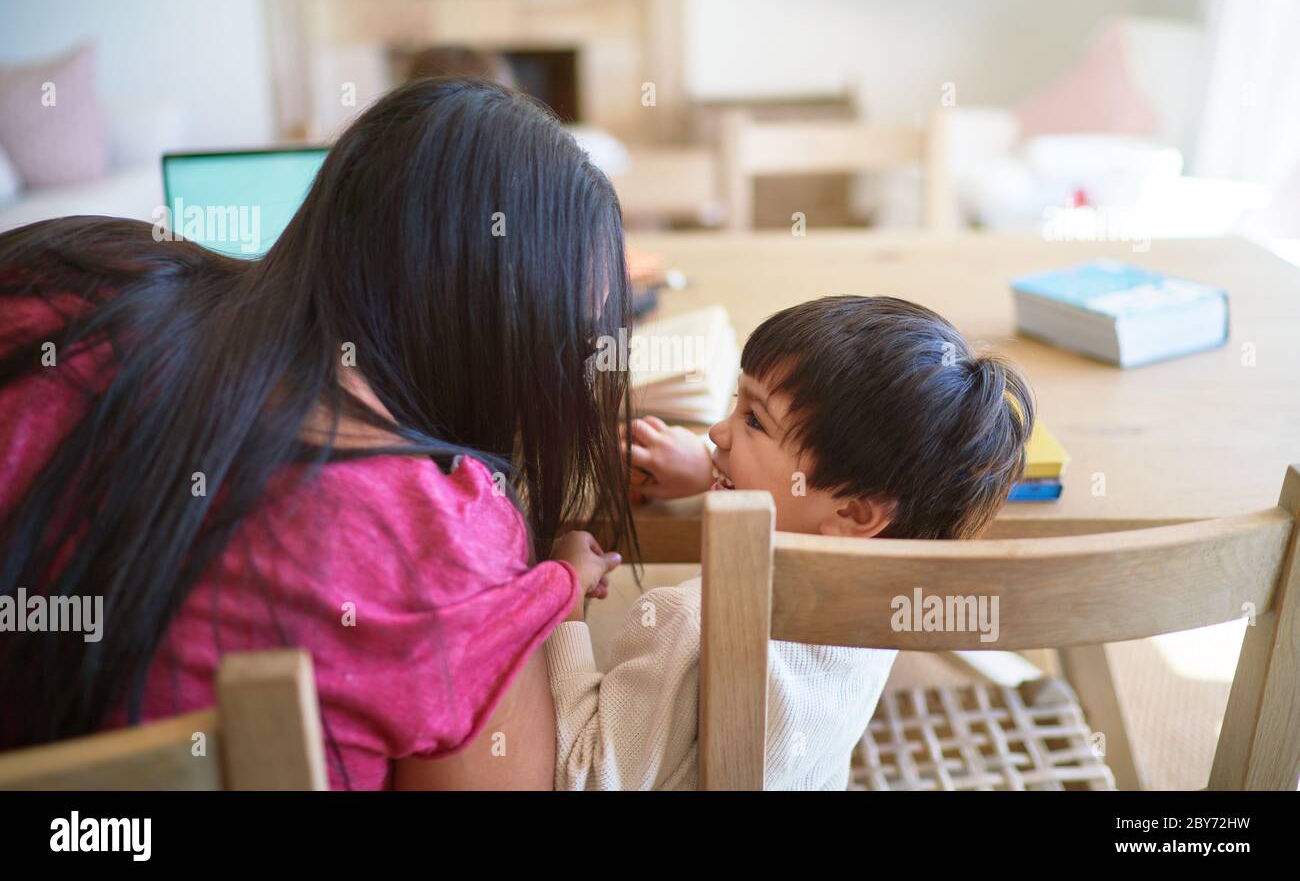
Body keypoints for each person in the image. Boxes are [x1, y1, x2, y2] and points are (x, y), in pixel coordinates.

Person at [0, 78, 631, 790]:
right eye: (566, 343)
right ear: (499, 332)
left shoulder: (66, 275)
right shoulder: (445, 541)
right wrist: (551, 609)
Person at [547, 295, 1035, 789]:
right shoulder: (889, 582)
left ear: (854, 512)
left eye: (754, 420)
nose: (718, 431)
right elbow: (800, 504)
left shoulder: (687, 620)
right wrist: (712, 468)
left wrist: (561, 604)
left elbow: (584, 775)